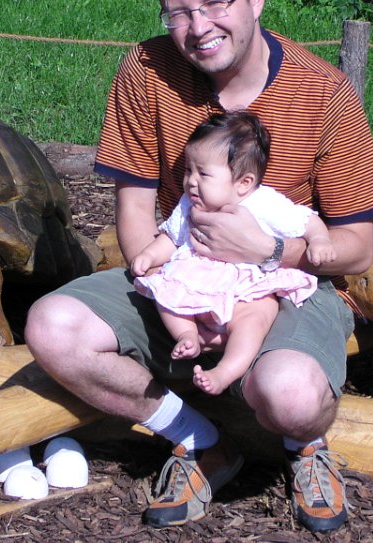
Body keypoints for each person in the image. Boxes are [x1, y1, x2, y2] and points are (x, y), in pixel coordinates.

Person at [24, 0, 373, 532]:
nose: (198, 27)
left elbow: (357, 249)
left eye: (215, 3)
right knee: (52, 326)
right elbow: (136, 213)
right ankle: (198, 438)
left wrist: (270, 251)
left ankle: (305, 447)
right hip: (183, 268)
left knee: (293, 394)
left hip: (285, 285)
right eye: (178, 12)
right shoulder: (147, 70)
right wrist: (171, 291)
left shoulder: (323, 90)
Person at [131, 111, 336, 397]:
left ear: (244, 183)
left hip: (245, 288)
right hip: (197, 281)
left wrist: (319, 240)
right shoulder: (189, 204)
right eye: (189, 170)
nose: (191, 181)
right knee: (166, 296)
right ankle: (187, 335)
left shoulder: (264, 203)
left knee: (256, 317)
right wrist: (150, 256)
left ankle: (225, 371)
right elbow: (172, 237)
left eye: (203, 174)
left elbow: (305, 220)